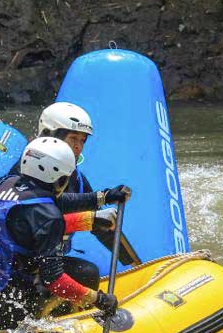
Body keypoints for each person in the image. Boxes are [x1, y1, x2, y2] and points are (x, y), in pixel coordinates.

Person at [0, 137, 129, 330]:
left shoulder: (8, 186)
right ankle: (58, 328)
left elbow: (51, 203)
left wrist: (103, 198)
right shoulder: (47, 215)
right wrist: (99, 299)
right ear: (61, 178)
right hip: (4, 313)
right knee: (85, 273)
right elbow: (54, 280)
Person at [24, 101, 139, 284]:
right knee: (87, 273)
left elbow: (100, 224)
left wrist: (134, 264)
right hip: (22, 263)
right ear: (48, 134)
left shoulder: (76, 178)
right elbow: (43, 213)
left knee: (85, 271)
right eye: (73, 138)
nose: (78, 146)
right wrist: (94, 211)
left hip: (47, 260)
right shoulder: (26, 172)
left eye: (82, 140)